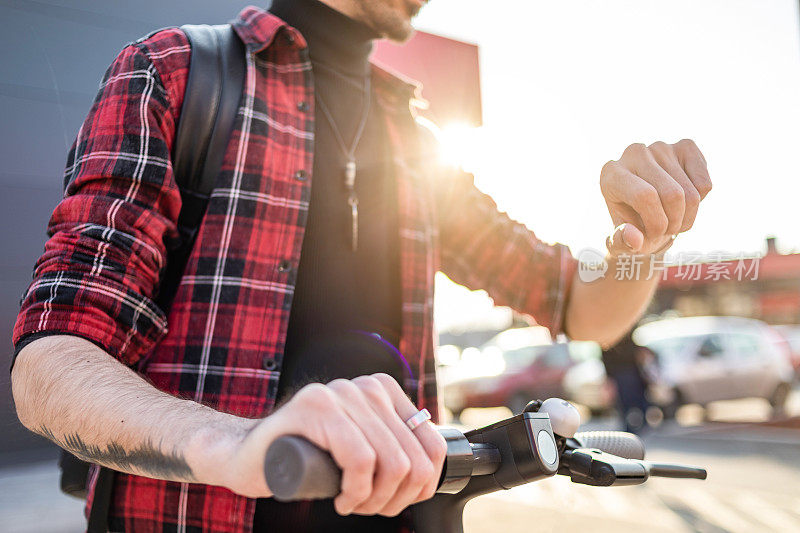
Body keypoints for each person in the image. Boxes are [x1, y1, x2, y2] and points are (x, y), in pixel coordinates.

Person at [10, 0, 712, 530]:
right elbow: (49, 370)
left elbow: (575, 303)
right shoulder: (174, 73)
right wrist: (236, 440)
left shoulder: (417, 140)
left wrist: (642, 246)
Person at [602, 331, 657, 434]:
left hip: (627, 371)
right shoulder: (616, 336)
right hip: (623, 372)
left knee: (634, 399)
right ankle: (633, 425)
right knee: (627, 400)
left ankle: (638, 424)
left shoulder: (615, 336)